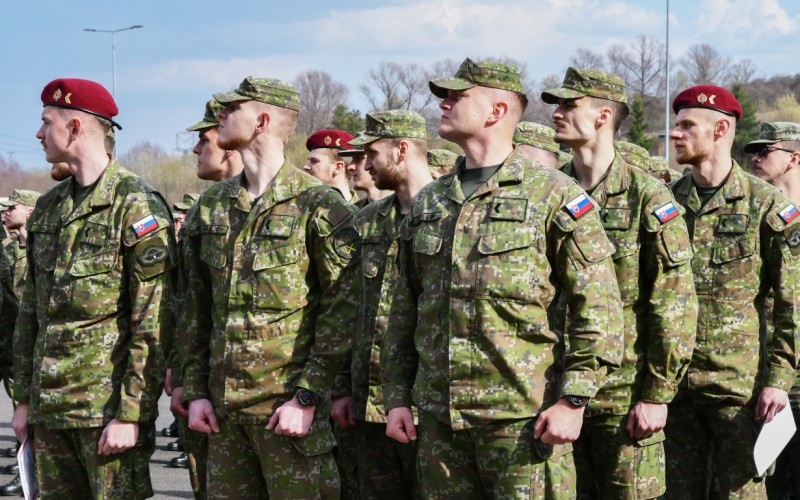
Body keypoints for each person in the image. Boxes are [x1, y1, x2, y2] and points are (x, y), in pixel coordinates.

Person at [381, 57, 624, 498]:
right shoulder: (432, 201)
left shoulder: (553, 194)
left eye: (458, 96)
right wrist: (396, 396)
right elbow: (403, 307)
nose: (444, 103)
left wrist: (574, 400)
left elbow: (599, 307)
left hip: (522, 422)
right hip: (440, 422)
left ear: (496, 112)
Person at [180, 76, 355, 498]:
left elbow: (343, 308)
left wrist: (308, 396)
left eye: (230, 109)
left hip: (288, 413)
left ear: (261, 120)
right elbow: (194, 306)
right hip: (222, 417)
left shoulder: (319, 204)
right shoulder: (212, 205)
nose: (219, 115)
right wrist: (196, 389)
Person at [12, 78, 176, 498]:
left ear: (75, 128)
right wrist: (25, 401)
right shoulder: (49, 208)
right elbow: (30, 312)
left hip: (104, 414)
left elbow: (152, 319)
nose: (38, 133)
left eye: (46, 122)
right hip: (50, 411)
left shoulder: (135, 204)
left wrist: (132, 413)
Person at [542, 67, 698, 499]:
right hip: (552, 393)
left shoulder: (647, 196)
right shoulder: (548, 192)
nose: (555, 113)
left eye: (568, 105)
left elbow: (674, 303)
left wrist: (657, 394)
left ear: (602, 116)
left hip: (623, 399)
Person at [665, 86, 800, 498]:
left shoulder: (765, 204)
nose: (675, 134)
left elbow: (790, 302)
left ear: (720, 128)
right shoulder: (666, 204)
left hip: (739, 391)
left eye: (687, 125)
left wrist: (778, 380)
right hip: (674, 388)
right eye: (675, 124)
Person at [331, 110, 433, 498]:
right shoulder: (366, 222)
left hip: (427, 401)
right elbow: (345, 308)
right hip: (367, 402)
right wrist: (341, 387)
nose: (364, 163)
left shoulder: (450, 216)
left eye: (371, 152)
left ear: (401, 149)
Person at [164, 98, 246, 499]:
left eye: (205, 139)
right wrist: (182, 375)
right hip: (207, 390)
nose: (196, 149)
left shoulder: (303, 202)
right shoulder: (204, 211)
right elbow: (189, 306)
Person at [742, 122, 800, 499]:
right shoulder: (751, 213)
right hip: (758, 372)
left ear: (795, 157)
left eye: (766, 151)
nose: (755, 158)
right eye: (753, 151)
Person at [340, 133, 392, 209]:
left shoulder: (408, 209)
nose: (350, 167)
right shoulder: (354, 213)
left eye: (359, 158)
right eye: (352, 160)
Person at [304, 129, 357, 201]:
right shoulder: (300, 206)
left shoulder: (363, 211)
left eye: (314, 161)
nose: (306, 166)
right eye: (309, 160)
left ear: (337, 168)